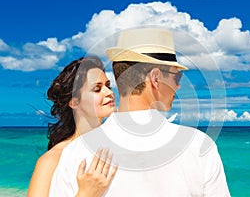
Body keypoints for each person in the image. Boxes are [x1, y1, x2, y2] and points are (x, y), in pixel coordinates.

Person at [49, 28, 231, 196]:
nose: (178, 85)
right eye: (176, 76)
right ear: (156, 78)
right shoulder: (198, 146)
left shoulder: (76, 152)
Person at [28, 56, 118, 197]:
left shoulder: (117, 146)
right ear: (75, 103)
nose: (109, 93)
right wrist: (85, 193)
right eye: (97, 89)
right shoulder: (51, 160)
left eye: (108, 85)